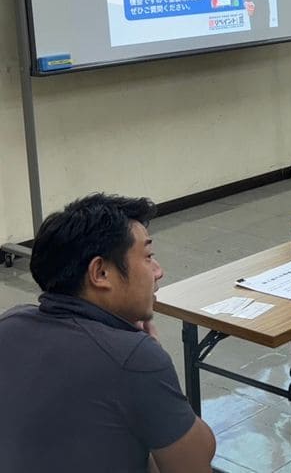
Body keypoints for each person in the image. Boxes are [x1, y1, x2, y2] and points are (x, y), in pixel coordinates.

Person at [0, 193, 216, 472]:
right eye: (148, 256)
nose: (158, 271)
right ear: (100, 273)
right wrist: (149, 357)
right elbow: (194, 463)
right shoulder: (134, 358)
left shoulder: (9, 324)